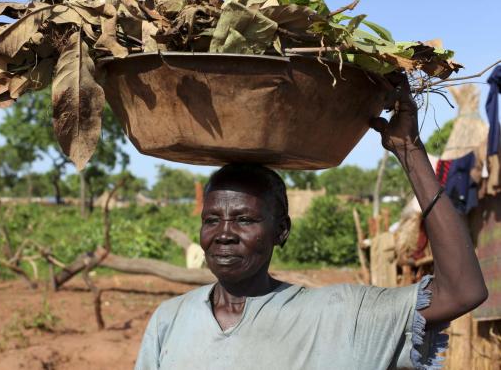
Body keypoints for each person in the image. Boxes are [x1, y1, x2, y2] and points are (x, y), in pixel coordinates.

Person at [134, 76, 488, 370]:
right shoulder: (171, 319)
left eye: (244, 219)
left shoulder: (340, 316)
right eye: (212, 219)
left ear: (281, 231)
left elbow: (463, 291)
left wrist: (409, 150)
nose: (224, 234)